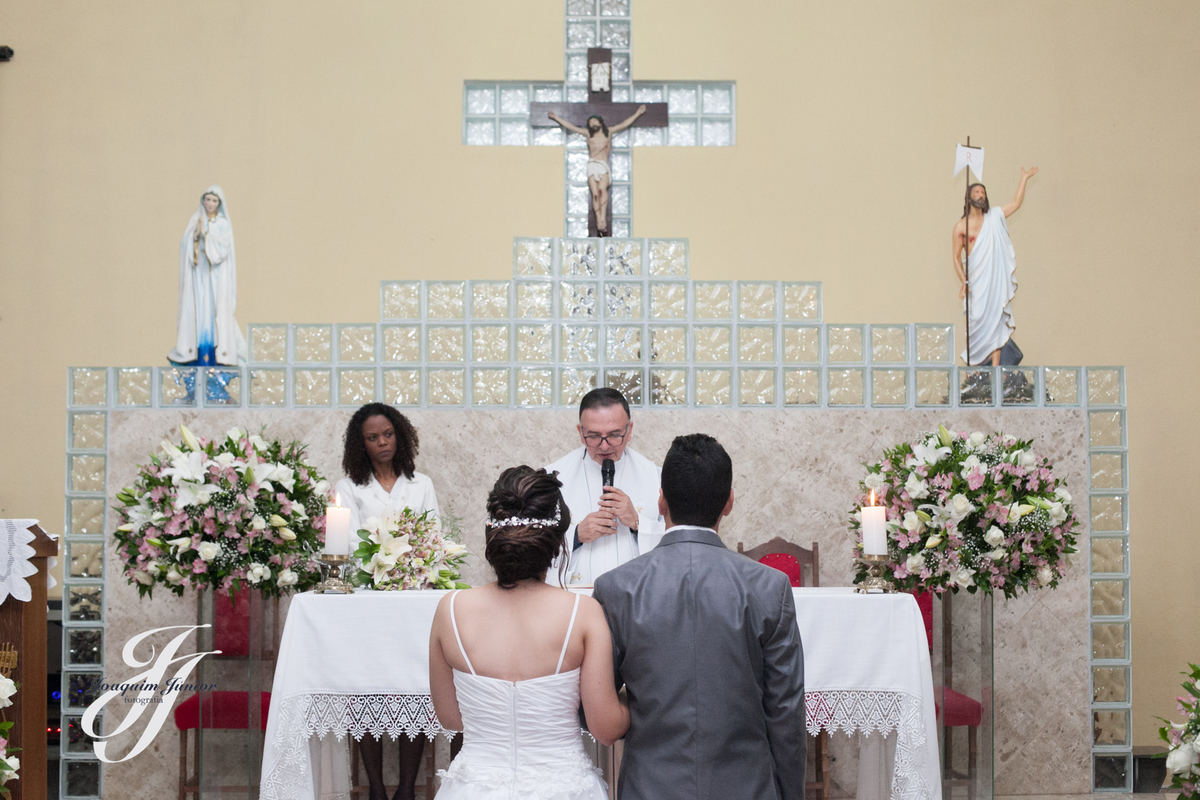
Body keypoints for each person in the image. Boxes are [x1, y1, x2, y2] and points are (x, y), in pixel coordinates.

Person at [593, 433, 807, 800]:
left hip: (649, 786)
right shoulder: (770, 587)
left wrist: (646, 712)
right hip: (747, 788)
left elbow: (595, 707)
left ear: (660, 500)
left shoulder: (616, 588)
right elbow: (785, 713)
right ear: (729, 502)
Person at [429, 466, 628, 799]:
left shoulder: (450, 610)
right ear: (555, 541)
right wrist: (639, 698)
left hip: (473, 789)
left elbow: (451, 718)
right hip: (564, 788)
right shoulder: (582, 613)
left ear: (493, 534)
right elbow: (605, 728)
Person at [335, 403, 440, 800]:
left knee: (413, 691)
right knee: (368, 692)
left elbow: (431, 539)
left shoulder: (421, 484)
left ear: (400, 435)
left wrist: (410, 562)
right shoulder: (349, 488)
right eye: (373, 437)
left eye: (388, 435)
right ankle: (377, 788)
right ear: (360, 444)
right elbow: (345, 548)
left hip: (412, 606)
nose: (382, 443)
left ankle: (408, 789)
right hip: (367, 608)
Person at [544, 388, 664, 586]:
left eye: (615, 435)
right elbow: (529, 545)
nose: (605, 446)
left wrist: (637, 523)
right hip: (574, 601)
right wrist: (575, 536)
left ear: (630, 430)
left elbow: (678, 543)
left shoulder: (656, 478)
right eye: (594, 436)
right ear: (580, 433)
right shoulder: (551, 479)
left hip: (636, 601)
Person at [952, 167, 1038, 366]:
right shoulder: (960, 227)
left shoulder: (994, 217)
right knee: (975, 322)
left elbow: (1016, 203)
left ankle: (996, 372)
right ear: (969, 197)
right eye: (977, 192)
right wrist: (963, 280)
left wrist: (1023, 179)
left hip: (994, 279)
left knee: (996, 320)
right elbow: (956, 256)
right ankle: (973, 370)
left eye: (983, 192)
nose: (981, 195)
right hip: (976, 281)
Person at [168, 186, 247, 366]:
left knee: (214, 316)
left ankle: (215, 357)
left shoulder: (222, 224)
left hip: (215, 279)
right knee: (199, 314)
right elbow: (186, 245)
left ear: (219, 204)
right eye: (208, 199)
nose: (210, 204)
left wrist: (207, 237)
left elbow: (222, 249)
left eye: (214, 200)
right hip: (199, 277)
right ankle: (196, 355)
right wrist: (195, 238)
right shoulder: (196, 220)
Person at [547, 106, 646, 236]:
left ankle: (602, 218)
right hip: (592, 164)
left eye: (595, 121)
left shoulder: (608, 132)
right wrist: (556, 118)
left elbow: (624, 124)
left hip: (603, 164)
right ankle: (598, 218)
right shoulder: (588, 134)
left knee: (601, 190)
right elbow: (571, 127)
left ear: (600, 122)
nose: (593, 124)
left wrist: (637, 113)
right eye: (590, 123)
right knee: (595, 193)